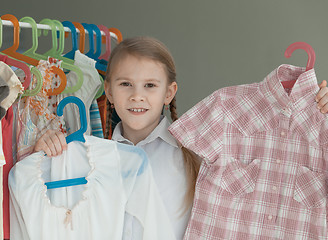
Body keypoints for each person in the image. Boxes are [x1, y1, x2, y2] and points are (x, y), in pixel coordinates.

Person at [34, 36, 328, 239]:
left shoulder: (197, 151)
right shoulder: (89, 153)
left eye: (150, 85)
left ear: (168, 93)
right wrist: (44, 148)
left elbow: (267, 162)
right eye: (126, 84)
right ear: (109, 92)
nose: (137, 95)